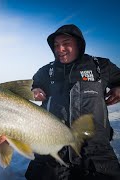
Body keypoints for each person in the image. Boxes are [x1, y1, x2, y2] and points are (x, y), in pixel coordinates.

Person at [25, 24, 120, 180]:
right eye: (56, 45)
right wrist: (35, 90)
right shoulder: (45, 71)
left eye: (66, 43)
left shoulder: (100, 66)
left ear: (79, 44)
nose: (59, 49)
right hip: (52, 151)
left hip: (96, 153)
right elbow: (31, 86)